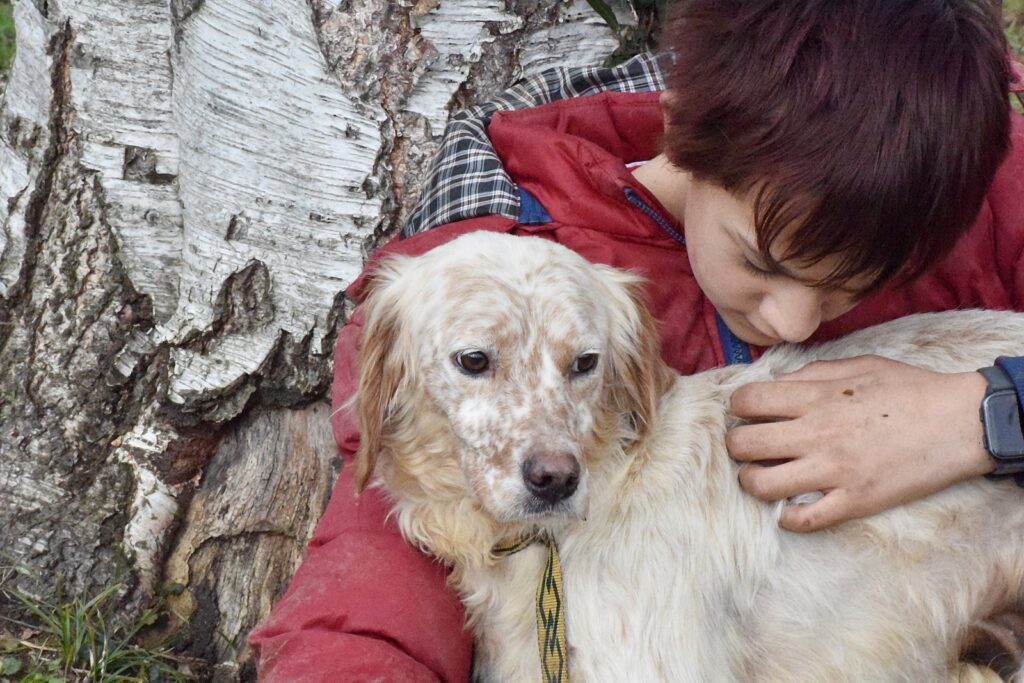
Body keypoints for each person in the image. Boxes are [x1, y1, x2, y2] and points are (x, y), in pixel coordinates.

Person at [250, 1, 1024, 680]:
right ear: (680, 130)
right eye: (761, 262)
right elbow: (376, 577)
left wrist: (979, 414)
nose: (794, 322)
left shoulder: (951, 174)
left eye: (854, 285)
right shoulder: (498, 269)